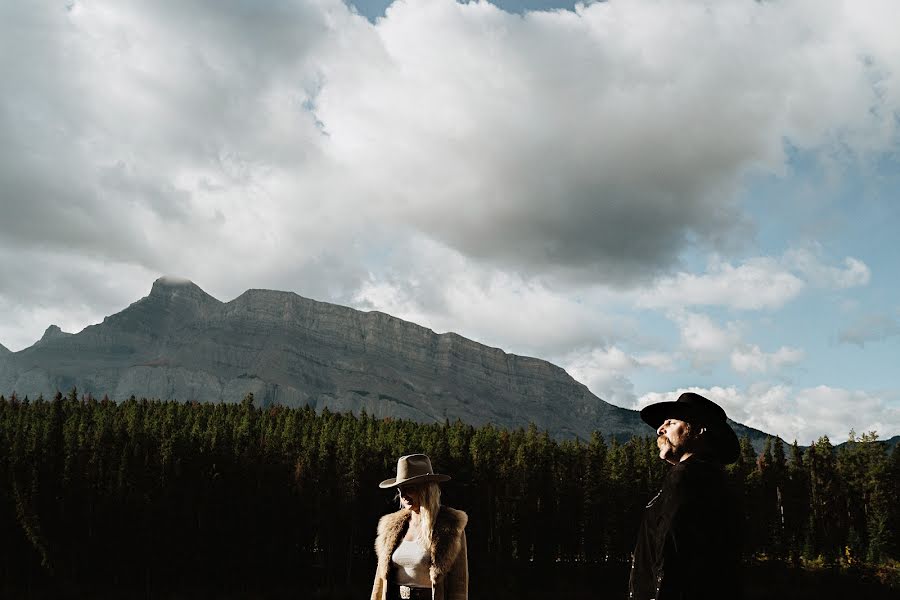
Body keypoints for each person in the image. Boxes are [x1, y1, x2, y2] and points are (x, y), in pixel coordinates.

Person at [628, 392, 742, 600]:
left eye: (670, 423)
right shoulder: (713, 479)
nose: (659, 430)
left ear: (698, 430)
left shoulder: (685, 477)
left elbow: (671, 553)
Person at [371, 454, 468, 600]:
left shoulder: (450, 526)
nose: (403, 495)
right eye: (400, 489)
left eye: (410, 488)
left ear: (427, 489)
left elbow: (459, 584)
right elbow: (380, 580)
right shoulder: (391, 526)